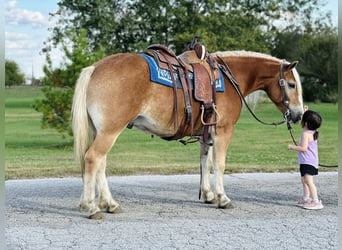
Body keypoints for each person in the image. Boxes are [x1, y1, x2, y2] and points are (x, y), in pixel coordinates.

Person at [287, 106, 323, 210]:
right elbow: (308, 120)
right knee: (304, 180)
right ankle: (306, 198)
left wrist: (292, 147)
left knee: (308, 181)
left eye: (303, 119)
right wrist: (305, 112)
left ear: (306, 123)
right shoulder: (312, 130)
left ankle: (316, 201)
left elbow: (303, 148)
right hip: (306, 161)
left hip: (308, 162)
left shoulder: (306, 134)